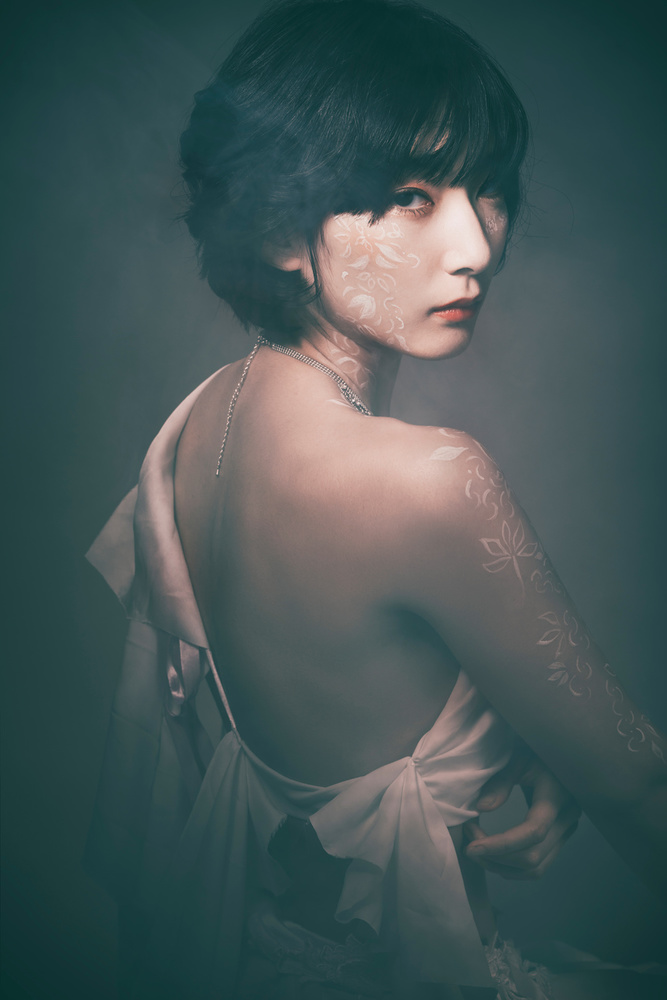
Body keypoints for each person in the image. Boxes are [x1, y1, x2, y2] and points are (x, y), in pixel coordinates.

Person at [85, 1, 666, 997]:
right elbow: (643, 787)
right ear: (281, 227)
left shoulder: (201, 423)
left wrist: (540, 752)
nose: (475, 245)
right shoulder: (424, 479)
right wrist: (576, 770)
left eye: (487, 188)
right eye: (409, 195)